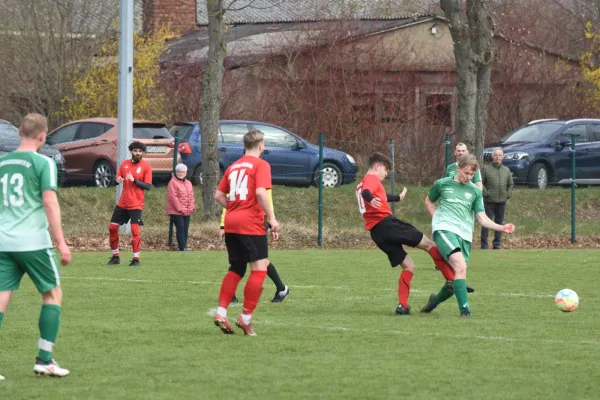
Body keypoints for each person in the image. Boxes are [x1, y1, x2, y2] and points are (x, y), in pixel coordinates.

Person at [356, 152, 473, 316]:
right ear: (377, 167)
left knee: (409, 266)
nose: (386, 173)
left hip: (377, 233)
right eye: (385, 170)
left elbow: (378, 196)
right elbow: (367, 192)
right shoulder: (371, 179)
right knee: (429, 244)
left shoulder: (361, 184)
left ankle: (402, 306)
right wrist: (370, 199)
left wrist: (397, 197)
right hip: (388, 225)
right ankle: (452, 279)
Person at [0, 113, 72, 378]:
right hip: (32, 242)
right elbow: (50, 202)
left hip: (3, 242)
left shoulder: (1, 163)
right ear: (43, 136)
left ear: (19, 132)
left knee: (0, 300)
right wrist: (61, 242)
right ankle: (44, 359)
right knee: (52, 295)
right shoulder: (43, 162)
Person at [423, 154, 516, 317]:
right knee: (460, 266)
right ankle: (465, 311)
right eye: (466, 173)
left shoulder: (474, 191)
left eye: (472, 175)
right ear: (458, 169)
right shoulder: (442, 184)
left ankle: (433, 303)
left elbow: (482, 218)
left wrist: (501, 227)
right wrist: (437, 219)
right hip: (445, 230)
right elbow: (428, 201)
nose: (468, 177)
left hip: (464, 236)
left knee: (456, 276)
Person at [213, 130, 280, 336]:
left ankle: (221, 312)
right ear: (261, 145)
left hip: (232, 223)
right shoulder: (261, 165)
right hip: (250, 223)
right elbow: (261, 192)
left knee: (236, 269)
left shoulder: (233, 166)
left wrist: (233, 208)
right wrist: (271, 219)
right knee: (259, 269)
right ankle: (245, 318)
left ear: (245, 146)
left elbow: (218, 195)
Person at [218, 188, 290, 303]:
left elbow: (266, 199)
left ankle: (281, 288)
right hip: (238, 223)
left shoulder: (260, 172)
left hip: (255, 223)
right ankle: (281, 288)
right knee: (241, 259)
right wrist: (223, 225)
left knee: (257, 260)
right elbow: (227, 198)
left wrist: (272, 221)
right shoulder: (237, 172)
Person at [106, 141, 152, 267]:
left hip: (136, 204)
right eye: (135, 151)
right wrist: (117, 180)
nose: (138, 153)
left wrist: (134, 180)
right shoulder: (124, 164)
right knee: (112, 228)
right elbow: (115, 181)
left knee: (135, 230)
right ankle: (115, 257)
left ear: (142, 153)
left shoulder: (146, 167)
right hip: (123, 203)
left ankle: (136, 259)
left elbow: (148, 186)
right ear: (131, 151)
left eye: (140, 151)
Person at [480, 148, 514, 249]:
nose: (497, 157)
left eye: (499, 155)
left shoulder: (506, 170)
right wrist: (486, 194)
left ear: (502, 157)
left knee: (500, 223)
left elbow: (511, 184)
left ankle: (497, 244)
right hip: (489, 201)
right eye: (495, 155)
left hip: (502, 201)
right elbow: (480, 183)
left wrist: (507, 194)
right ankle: (484, 245)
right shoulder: (486, 169)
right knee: (486, 223)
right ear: (492, 157)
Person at [167, 163, 195, 251]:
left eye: (183, 172)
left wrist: (191, 207)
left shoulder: (189, 183)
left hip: (187, 211)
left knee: (185, 228)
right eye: (179, 171)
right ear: (176, 172)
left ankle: (184, 246)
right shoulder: (172, 183)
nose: (181, 173)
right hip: (176, 211)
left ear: (186, 173)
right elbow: (173, 197)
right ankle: (182, 247)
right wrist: (180, 209)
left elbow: (191, 196)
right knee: (181, 227)